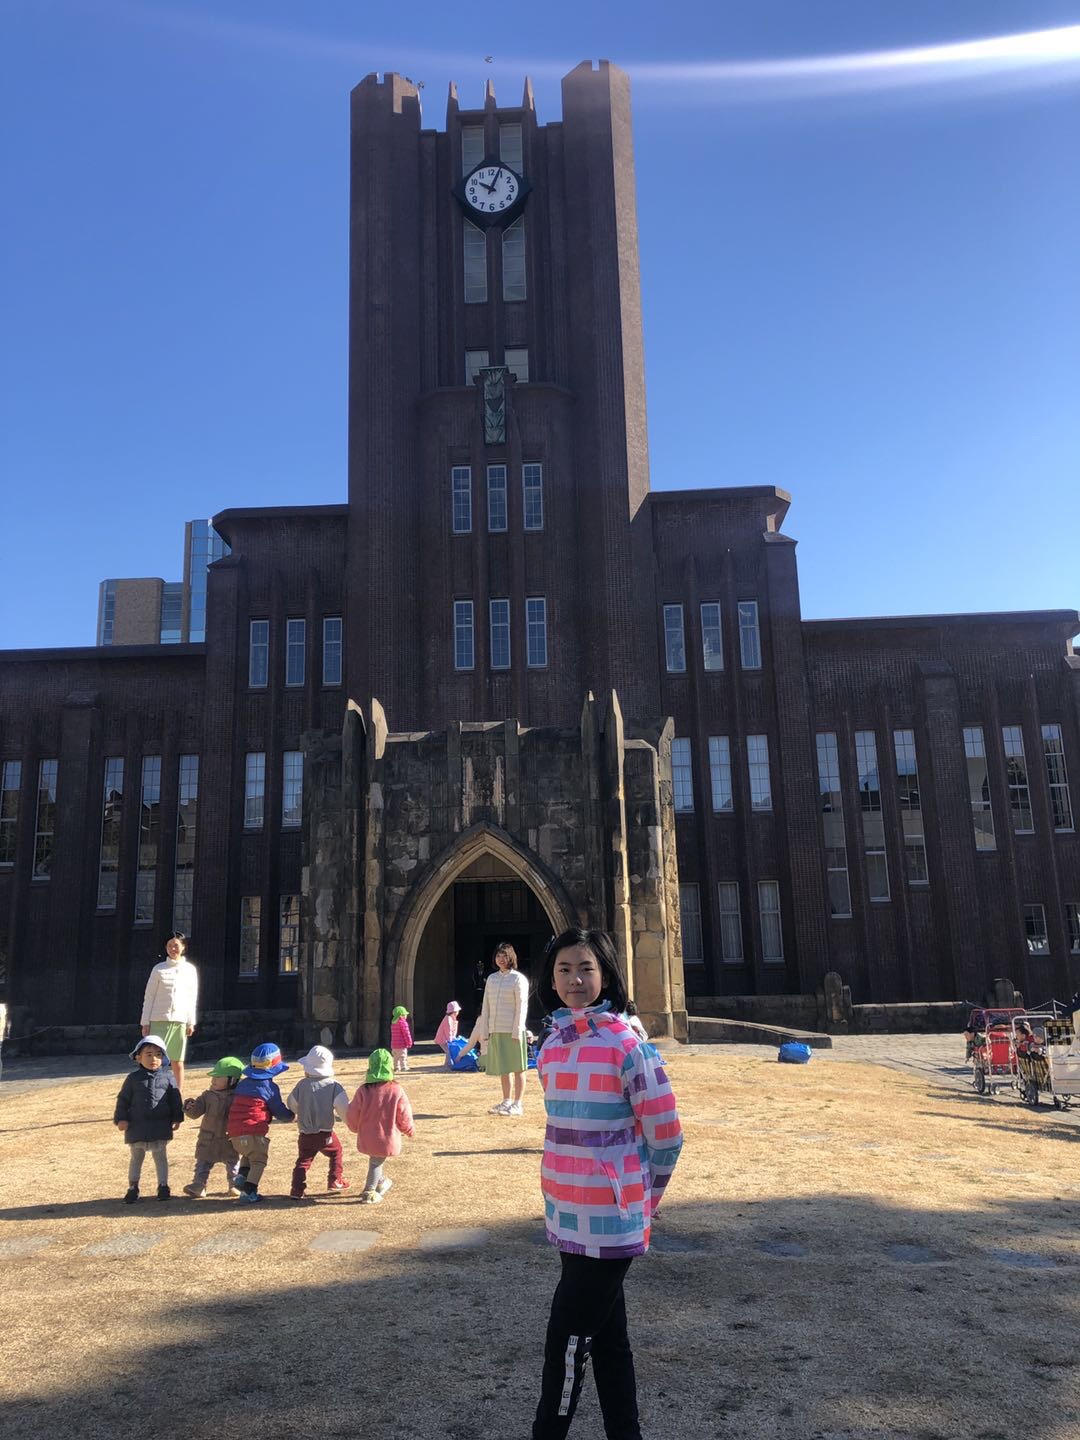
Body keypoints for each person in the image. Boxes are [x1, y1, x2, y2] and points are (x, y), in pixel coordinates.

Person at [531, 928, 683, 1440]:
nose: (575, 979)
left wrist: (644, 1199)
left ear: (607, 974)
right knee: (609, 1339)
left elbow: (667, 1136)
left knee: (566, 1342)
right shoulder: (551, 1046)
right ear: (550, 980)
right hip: (566, 1213)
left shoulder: (627, 1045)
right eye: (564, 969)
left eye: (586, 968)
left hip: (611, 1221)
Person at [114, 1034, 184, 1204]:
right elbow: (123, 1100)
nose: (154, 1058)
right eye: (149, 1054)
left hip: (160, 1125)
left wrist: (177, 1117)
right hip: (137, 1125)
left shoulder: (168, 1078)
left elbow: (175, 1099)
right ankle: (133, 1187)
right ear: (138, 1057)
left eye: (158, 1054)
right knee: (136, 1157)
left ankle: (163, 1185)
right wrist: (121, 1119)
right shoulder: (132, 1079)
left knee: (161, 1156)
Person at [226, 1043, 295, 1204]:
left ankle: (242, 1177)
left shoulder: (242, 1084)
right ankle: (249, 1192)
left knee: (249, 1154)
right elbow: (279, 1111)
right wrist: (290, 1116)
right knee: (258, 1160)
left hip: (234, 1132)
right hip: (253, 1131)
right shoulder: (268, 1086)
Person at [345, 1047, 414, 1204]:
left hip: (367, 1135)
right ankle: (369, 1191)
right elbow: (404, 1113)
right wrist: (408, 1129)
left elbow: (353, 1112)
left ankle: (381, 1182)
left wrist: (355, 1127)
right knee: (376, 1162)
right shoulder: (396, 1090)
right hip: (386, 1136)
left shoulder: (363, 1090)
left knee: (376, 1161)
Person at [472, 941, 531, 1116]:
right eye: (498, 955)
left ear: (511, 957)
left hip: (513, 1030)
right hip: (496, 1029)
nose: (501, 959)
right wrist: (485, 1030)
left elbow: (522, 1006)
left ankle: (518, 1103)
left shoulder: (518, 979)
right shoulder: (491, 978)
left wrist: (517, 1029)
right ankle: (506, 1101)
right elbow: (486, 1006)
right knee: (504, 1068)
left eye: (505, 955)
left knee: (518, 1067)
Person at [286, 1045, 351, 1200]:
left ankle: (297, 1189)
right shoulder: (333, 1085)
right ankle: (335, 1180)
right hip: (324, 1132)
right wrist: (350, 1122)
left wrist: (298, 1112)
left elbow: (291, 1102)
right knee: (336, 1152)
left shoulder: (301, 1085)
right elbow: (343, 1106)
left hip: (305, 1133)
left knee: (303, 1160)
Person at [140, 932, 198, 1093]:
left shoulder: (190, 970)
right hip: (158, 1021)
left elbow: (192, 997)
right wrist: (145, 1022)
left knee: (177, 1060)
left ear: (183, 947)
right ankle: (152, 1091)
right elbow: (149, 997)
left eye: (176, 945)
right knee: (154, 1059)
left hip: (179, 1020)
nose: (173, 948)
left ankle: (177, 1093)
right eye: (169, 945)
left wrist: (190, 1021)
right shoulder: (158, 969)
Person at [182, 1055, 245, 1198]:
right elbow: (195, 1113)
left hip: (229, 1139)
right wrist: (189, 1107)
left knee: (233, 1163)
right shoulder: (207, 1095)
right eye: (213, 1077)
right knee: (202, 1164)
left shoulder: (238, 1097)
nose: (213, 1080)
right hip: (208, 1138)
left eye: (218, 1077)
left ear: (232, 1080)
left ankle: (234, 1186)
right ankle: (199, 1185)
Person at [434, 1000, 461, 1067]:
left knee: (449, 1051)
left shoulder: (451, 1018)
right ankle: (448, 1064)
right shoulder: (448, 1019)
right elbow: (448, 1031)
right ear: (455, 1011)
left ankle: (447, 1063)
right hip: (443, 1039)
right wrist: (450, 1040)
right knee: (449, 1051)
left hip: (445, 1039)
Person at [390, 1006, 413, 1072]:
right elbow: (406, 1034)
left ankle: (396, 1067)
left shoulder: (393, 1023)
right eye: (405, 1014)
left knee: (395, 1057)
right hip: (401, 1045)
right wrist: (409, 1042)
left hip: (394, 1045)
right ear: (401, 1015)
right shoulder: (403, 1023)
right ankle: (404, 1067)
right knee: (403, 1056)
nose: (406, 1016)